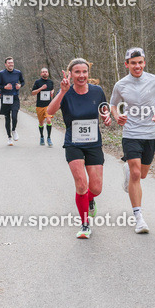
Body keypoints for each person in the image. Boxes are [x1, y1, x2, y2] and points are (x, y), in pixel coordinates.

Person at [109, 47, 155, 234]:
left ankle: (128, 169)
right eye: (133, 63)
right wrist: (117, 115)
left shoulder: (154, 81)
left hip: (150, 134)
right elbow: (113, 104)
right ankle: (139, 218)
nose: (137, 66)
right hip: (130, 133)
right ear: (126, 64)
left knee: (142, 174)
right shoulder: (121, 84)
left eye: (140, 62)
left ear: (144, 63)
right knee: (136, 175)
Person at [46, 58, 111, 239]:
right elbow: (50, 111)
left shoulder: (97, 91)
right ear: (70, 74)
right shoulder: (65, 92)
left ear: (88, 73)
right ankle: (84, 224)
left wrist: (106, 117)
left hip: (94, 143)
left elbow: (103, 108)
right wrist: (62, 92)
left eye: (84, 72)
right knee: (81, 185)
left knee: (96, 189)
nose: (81, 76)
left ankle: (89, 199)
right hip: (73, 144)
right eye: (77, 72)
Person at [0, 57, 24, 145]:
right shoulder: (1, 73)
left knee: (14, 116)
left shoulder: (18, 72)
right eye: (9, 63)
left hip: (15, 97)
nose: (11, 64)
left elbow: (22, 82)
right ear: (5, 64)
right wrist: (4, 87)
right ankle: (9, 137)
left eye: (12, 63)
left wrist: (20, 85)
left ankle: (14, 130)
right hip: (5, 97)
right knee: (7, 118)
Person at [32, 68, 55, 146]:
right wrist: (41, 88)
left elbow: (52, 89)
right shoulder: (37, 82)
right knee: (41, 123)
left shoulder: (51, 82)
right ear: (41, 74)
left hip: (49, 105)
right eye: (43, 72)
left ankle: (49, 138)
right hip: (40, 105)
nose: (44, 73)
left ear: (48, 73)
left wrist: (52, 92)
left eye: (46, 72)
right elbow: (33, 93)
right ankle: (42, 137)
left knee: (49, 120)